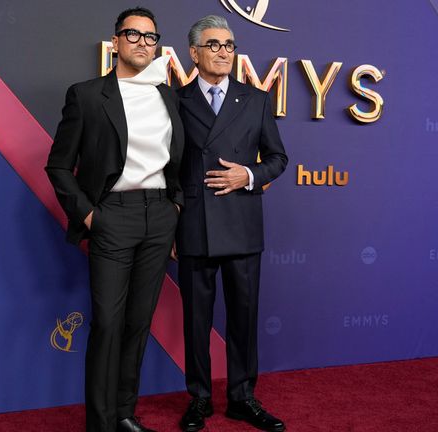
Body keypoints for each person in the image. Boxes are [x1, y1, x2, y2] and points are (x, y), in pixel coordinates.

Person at [45, 7, 183, 432]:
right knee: (107, 323)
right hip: (112, 217)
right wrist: (88, 214)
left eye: (151, 37)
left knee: (139, 322)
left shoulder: (168, 94)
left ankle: (125, 414)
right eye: (133, 34)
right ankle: (100, 424)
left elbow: (179, 159)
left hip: (159, 217)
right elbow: (58, 166)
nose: (143, 43)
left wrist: (175, 206)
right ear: (117, 41)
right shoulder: (87, 95)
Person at [175, 15, 288, 432]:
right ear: (194, 53)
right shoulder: (176, 100)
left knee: (243, 317)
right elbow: (169, 167)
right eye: (214, 45)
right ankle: (199, 399)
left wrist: (249, 175)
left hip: (241, 223)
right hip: (194, 226)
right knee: (196, 321)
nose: (224, 51)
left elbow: (278, 158)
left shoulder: (255, 99)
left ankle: (242, 397)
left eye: (229, 44)